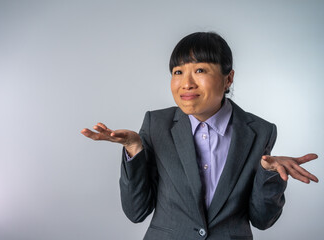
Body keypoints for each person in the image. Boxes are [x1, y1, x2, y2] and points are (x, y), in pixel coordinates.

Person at [81, 32, 318, 240]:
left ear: (229, 78)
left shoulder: (260, 131)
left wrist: (270, 175)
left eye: (200, 70)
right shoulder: (156, 125)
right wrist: (134, 149)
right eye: (178, 72)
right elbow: (136, 211)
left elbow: (262, 220)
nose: (186, 83)